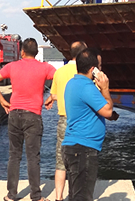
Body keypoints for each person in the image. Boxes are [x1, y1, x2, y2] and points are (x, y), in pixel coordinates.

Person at [0, 38, 56, 201]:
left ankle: (11, 195)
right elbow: (62, 80)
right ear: (37, 53)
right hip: (33, 116)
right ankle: (36, 196)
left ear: (22, 52)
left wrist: (2, 101)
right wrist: (52, 96)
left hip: (14, 114)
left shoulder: (12, 66)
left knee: (14, 155)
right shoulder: (45, 67)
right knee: (33, 157)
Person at [61, 49, 116, 201]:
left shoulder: (72, 83)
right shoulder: (87, 87)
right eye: (99, 66)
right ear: (93, 69)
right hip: (83, 149)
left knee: (75, 195)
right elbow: (108, 111)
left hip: (72, 147)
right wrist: (105, 89)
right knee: (82, 197)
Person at [43, 41, 88, 201]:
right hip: (81, 121)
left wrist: (51, 98)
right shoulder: (86, 72)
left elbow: (55, 94)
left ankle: (58, 197)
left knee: (61, 162)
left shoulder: (59, 72)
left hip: (64, 120)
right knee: (80, 161)